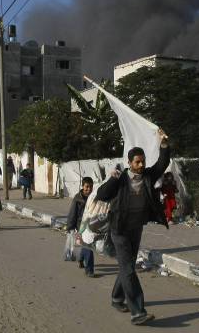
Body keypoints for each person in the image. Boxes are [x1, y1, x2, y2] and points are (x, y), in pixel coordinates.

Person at [95, 128, 170, 325]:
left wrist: (163, 143)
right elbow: (102, 195)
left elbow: (162, 164)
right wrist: (112, 178)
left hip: (136, 228)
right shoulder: (120, 178)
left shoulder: (147, 176)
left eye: (143, 161)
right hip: (118, 229)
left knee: (126, 266)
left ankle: (117, 298)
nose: (141, 164)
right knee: (128, 268)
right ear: (129, 163)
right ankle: (138, 312)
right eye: (137, 161)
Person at [66, 177, 96, 277]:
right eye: (87, 187)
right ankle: (89, 270)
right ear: (82, 186)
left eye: (91, 187)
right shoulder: (77, 199)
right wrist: (70, 227)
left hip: (91, 225)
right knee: (88, 246)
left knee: (85, 245)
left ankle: (80, 259)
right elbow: (72, 213)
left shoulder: (94, 197)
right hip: (80, 226)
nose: (89, 189)